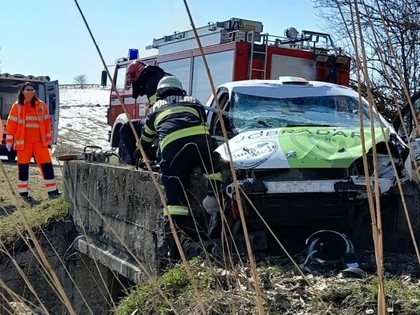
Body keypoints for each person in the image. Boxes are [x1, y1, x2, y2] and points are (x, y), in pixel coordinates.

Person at [140, 75, 218, 260]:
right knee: (215, 173)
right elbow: (204, 124)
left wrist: (142, 155)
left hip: (174, 148)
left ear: (160, 93)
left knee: (175, 200)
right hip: (202, 143)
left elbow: (146, 140)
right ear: (180, 89)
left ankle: (175, 241)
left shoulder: (155, 108)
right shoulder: (193, 101)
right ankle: (215, 199)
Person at [5, 82, 60, 202]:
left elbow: (47, 124)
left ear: (34, 92)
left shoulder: (41, 105)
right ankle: (23, 193)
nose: (30, 92)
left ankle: (52, 192)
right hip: (23, 143)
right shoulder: (17, 106)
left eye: (32, 90)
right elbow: (11, 124)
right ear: (22, 91)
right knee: (23, 168)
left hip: (40, 143)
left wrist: (49, 140)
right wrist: (9, 140)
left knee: (47, 167)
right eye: (27, 90)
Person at [119, 60, 169, 165]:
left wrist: (149, 111)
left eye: (133, 82)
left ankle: (136, 161)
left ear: (136, 75)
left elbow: (156, 112)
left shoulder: (151, 82)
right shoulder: (164, 76)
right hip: (171, 121)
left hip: (162, 122)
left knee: (126, 127)